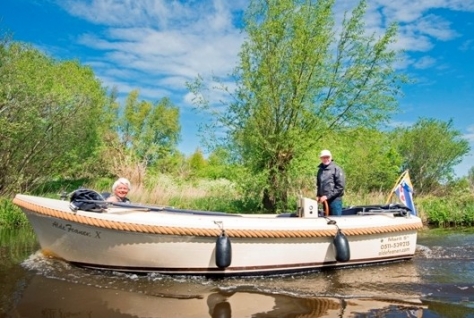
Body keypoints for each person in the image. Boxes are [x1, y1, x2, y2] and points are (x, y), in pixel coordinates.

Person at [315, 149, 345, 216]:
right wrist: (318, 195)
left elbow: (340, 187)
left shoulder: (337, 169)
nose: (326, 159)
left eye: (327, 157)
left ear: (331, 158)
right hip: (324, 201)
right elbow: (319, 185)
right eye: (323, 157)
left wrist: (327, 196)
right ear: (321, 158)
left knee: (336, 221)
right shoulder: (320, 170)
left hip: (335, 201)